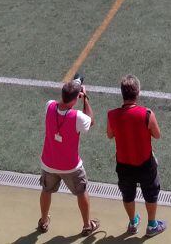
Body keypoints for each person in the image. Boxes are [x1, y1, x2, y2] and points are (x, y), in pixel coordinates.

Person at [37, 80, 99, 237]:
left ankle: (44, 221)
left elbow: (59, 105)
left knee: (46, 190)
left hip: (49, 163)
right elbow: (90, 121)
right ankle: (86, 225)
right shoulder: (77, 117)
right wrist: (85, 98)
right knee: (82, 191)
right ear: (75, 98)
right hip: (71, 167)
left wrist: (74, 93)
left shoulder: (49, 105)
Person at [107, 76, 167, 237]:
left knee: (127, 194)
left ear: (122, 94)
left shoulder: (112, 115)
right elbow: (157, 135)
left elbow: (109, 134)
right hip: (146, 163)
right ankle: (152, 225)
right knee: (151, 193)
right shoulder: (147, 114)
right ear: (138, 93)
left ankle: (133, 222)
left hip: (123, 164)